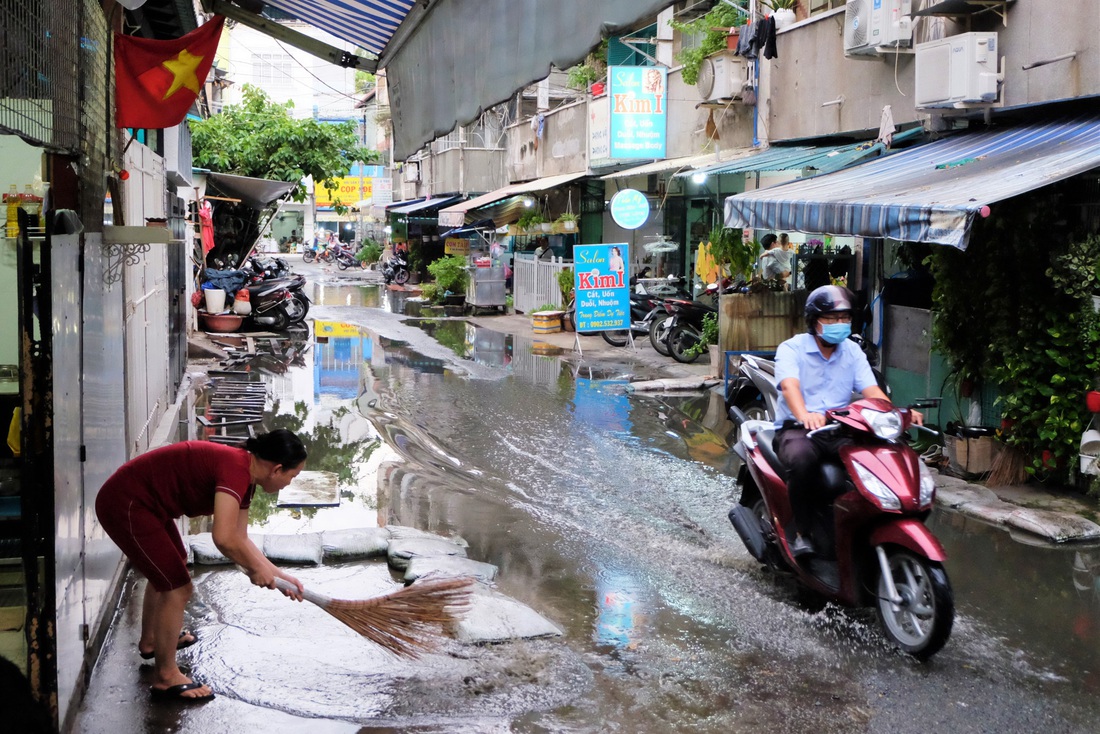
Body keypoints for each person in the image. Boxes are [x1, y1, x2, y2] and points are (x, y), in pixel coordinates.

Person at [94, 430, 308, 702]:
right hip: (127, 503)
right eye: (293, 475)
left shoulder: (247, 476)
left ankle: (151, 641)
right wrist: (256, 570)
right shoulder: (236, 469)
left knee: (172, 566)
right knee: (177, 587)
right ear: (277, 469)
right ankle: (166, 676)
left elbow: (240, 538)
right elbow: (223, 538)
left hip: (149, 506)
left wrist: (279, 577)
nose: (290, 483)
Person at [773, 286, 921, 558]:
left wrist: (898, 413)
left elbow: (872, 391)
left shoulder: (852, 350)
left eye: (844, 318)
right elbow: (789, 386)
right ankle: (802, 533)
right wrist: (805, 414)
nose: (839, 324)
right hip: (799, 429)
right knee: (802, 459)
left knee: (878, 460)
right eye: (831, 318)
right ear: (814, 321)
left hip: (841, 429)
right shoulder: (791, 348)